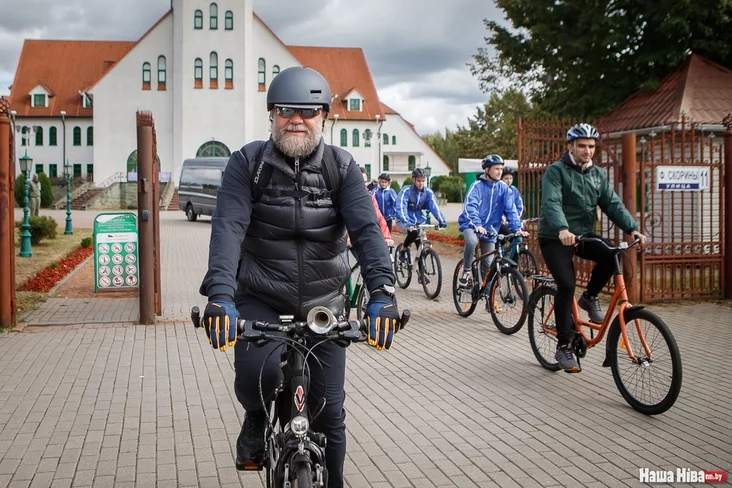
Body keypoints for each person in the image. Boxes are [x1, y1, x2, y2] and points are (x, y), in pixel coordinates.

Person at [198, 66, 403, 488]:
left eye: (308, 111)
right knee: (258, 378)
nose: (297, 119)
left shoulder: (342, 167)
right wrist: (220, 296)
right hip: (261, 297)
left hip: (324, 303)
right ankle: (256, 417)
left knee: (330, 414)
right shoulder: (247, 164)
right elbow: (228, 228)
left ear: (323, 116)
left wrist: (382, 293)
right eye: (286, 110)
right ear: (271, 114)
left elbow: (367, 232)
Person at [538, 123, 645, 373]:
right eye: (582, 146)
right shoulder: (556, 171)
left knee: (612, 254)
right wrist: (562, 229)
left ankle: (589, 297)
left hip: (583, 234)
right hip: (555, 236)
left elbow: (612, 203)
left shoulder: (597, 174)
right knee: (566, 284)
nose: (588, 151)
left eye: (592, 146)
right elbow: (552, 202)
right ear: (571, 147)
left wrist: (632, 228)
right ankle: (563, 345)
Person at [457, 155, 527, 287]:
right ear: (487, 169)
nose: (500, 172)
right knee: (472, 242)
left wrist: (517, 229)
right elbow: (470, 206)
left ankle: (487, 294)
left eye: (501, 169)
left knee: (488, 264)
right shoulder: (477, 186)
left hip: (490, 228)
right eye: (496, 169)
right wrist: (477, 224)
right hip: (471, 224)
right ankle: (466, 270)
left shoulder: (504, 188)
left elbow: (511, 209)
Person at [394, 167, 447, 266]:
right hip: (403, 220)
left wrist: (441, 220)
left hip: (418, 219)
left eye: (423, 181)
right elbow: (401, 207)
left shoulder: (428, 193)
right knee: (414, 232)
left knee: (421, 248)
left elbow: (434, 207)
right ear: (413, 180)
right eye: (418, 181)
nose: (421, 183)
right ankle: (402, 251)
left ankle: (421, 270)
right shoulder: (406, 191)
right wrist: (407, 222)